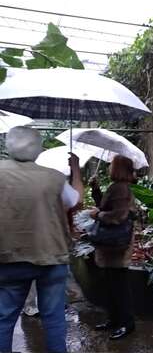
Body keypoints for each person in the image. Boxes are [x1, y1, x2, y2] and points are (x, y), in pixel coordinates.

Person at [0, 126, 83, 353]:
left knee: (4, 318)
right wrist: (75, 169)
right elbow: (75, 200)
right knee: (54, 318)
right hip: (52, 256)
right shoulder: (53, 177)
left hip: (8, 256)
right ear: (37, 148)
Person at [89, 155, 136, 340]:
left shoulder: (121, 188)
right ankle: (114, 320)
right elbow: (105, 205)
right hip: (112, 244)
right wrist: (95, 189)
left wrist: (98, 215)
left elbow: (118, 215)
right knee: (111, 283)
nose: (109, 167)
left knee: (119, 285)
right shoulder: (117, 187)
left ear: (118, 168)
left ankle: (126, 323)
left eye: (111, 164)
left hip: (117, 244)